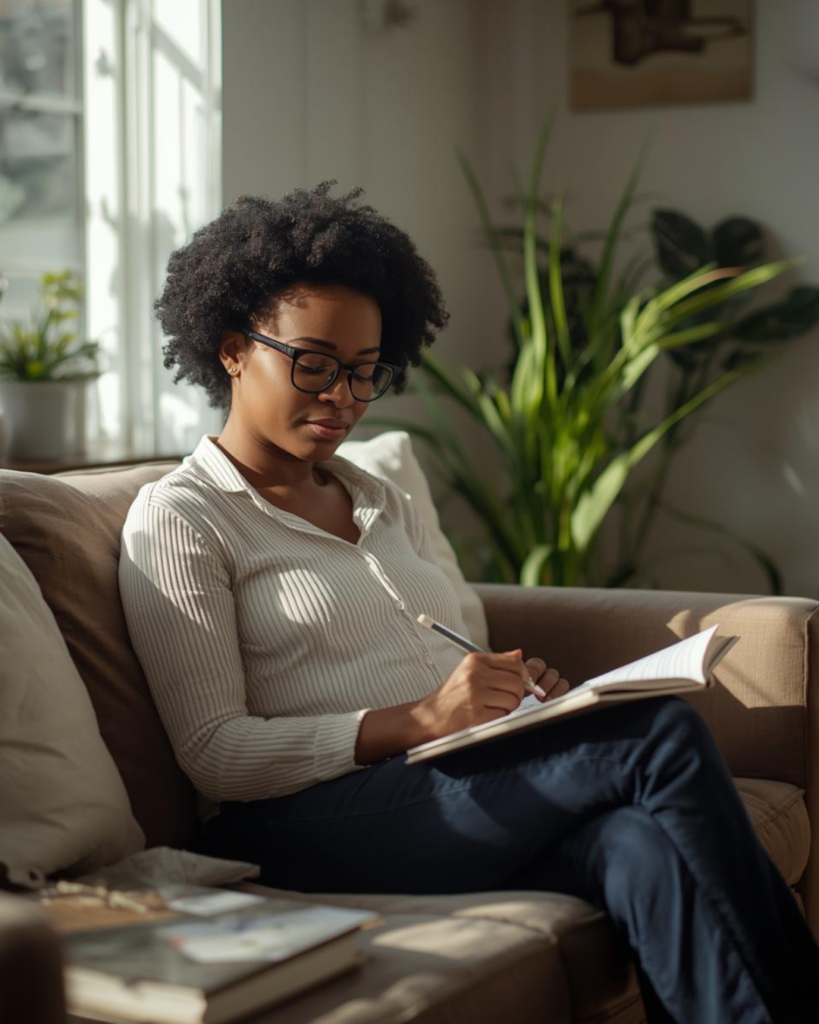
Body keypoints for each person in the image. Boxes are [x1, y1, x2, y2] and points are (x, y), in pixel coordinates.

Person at [119, 182, 819, 1023]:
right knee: (657, 736)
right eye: (312, 363)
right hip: (291, 824)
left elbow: (456, 646)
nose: (341, 395)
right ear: (232, 347)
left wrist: (509, 700)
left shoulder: (382, 495)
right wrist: (415, 720)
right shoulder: (180, 518)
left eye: (363, 372)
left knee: (636, 849)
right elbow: (214, 754)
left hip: (435, 785)